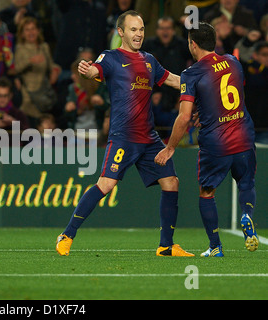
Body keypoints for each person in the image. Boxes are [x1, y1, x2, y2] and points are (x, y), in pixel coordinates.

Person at [56, 10, 194, 257]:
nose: (138, 34)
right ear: (121, 32)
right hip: (123, 136)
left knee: (171, 182)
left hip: (149, 138)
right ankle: (67, 234)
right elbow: (94, 71)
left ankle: (166, 245)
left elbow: (172, 80)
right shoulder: (110, 57)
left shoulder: (150, 60)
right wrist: (87, 70)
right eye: (133, 29)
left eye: (141, 29)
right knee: (106, 184)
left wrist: (196, 81)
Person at [155, 22, 258, 257]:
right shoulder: (233, 61)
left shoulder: (192, 73)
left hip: (216, 142)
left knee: (207, 192)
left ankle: (215, 246)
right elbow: (229, 95)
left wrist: (170, 147)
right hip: (243, 134)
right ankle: (247, 215)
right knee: (246, 183)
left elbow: (184, 117)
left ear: (193, 44)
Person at [14, 16, 61, 128]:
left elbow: (50, 64)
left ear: (38, 31)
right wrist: (30, 61)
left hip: (44, 90)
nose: (31, 32)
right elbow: (16, 68)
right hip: (28, 92)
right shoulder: (20, 48)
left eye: (33, 28)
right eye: (27, 29)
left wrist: (56, 69)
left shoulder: (44, 47)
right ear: (22, 34)